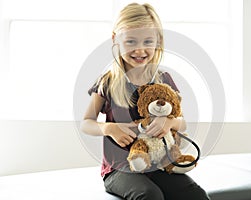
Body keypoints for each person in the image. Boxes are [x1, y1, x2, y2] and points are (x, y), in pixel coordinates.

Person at [80, 3, 210, 200]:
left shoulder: (164, 80)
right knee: (150, 195)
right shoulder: (107, 82)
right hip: (119, 169)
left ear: (158, 41)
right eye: (131, 42)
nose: (140, 50)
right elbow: (86, 123)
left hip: (157, 164)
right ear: (116, 39)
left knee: (196, 195)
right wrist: (109, 128)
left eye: (148, 41)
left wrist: (169, 123)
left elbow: (181, 122)